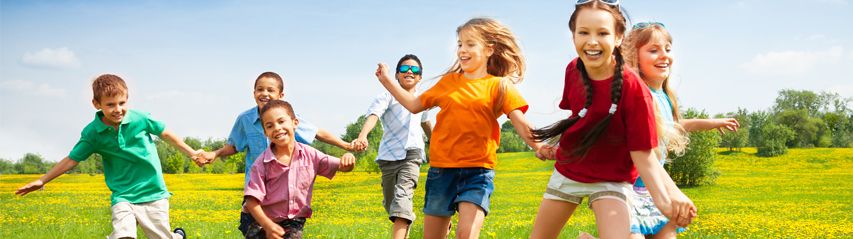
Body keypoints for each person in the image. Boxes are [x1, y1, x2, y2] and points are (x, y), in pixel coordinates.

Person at [528, 1, 697, 238]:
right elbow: (579, 117)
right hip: (569, 171)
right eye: (583, 32)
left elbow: (644, 155)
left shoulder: (634, 89)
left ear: (618, 37)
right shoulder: (572, 70)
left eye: (603, 33)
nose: (592, 41)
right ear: (573, 35)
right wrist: (555, 147)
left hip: (611, 180)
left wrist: (666, 199)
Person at [374, 17, 544, 239]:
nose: (462, 50)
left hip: (478, 172)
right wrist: (387, 81)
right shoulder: (448, 82)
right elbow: (414, 105)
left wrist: (539, 146)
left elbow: (519, 120)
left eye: (470, 44)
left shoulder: (499, 86)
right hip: (441, 171)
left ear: (489, 49)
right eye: (460, 44)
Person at [15, 74, 198, 239]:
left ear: (127, 100)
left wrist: (192, 153)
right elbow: (72, 159)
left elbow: (165, 134)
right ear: (97, 104)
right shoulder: (93, 133)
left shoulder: (141, 119)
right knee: (123, 236)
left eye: (122, 103)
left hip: (153, 192)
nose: (117, 109)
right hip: (123, 195)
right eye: (110, 105)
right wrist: (43, 180)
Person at [193, 72, 354, 235]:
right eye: (260, 89)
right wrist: (215, 153)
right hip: (257, 193)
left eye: (270, 90)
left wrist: (345, 146)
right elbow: (235, 145)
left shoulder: (288, 117)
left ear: (281, 95)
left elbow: (317, 133)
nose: (264, 93)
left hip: (287, 202)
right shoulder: (245, 120)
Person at [623, 21, 739, 239]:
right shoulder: (638, 95)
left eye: (667, 48)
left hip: (656, 188)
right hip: (630, 189)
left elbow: (676, 126)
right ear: (634, 57)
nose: (664, 55)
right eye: (653, 50)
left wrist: (713, 122)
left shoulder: (665, 97)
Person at [243, 100, 356, 239]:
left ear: (295, 123)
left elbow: (342, 166)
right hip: (262, 222)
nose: (277, 128)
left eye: (281, 121)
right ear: (265, 132)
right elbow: (251, 200)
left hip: (294, 222)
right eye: (270, 126)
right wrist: (267, 225)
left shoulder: (311, 155)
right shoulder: (261, 164)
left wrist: (349, 158)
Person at [352, 54, 432, 239]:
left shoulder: (422, 99)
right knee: (392, 206)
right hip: (388, 156)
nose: (409, 71)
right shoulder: (386, 96)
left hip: (412, 154)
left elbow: (426, 123)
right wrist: (362, 135)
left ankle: (429, 223)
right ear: (396, 76)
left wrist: (436, 144)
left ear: (420, 77)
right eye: (404, 69)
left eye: (415, 70)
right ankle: (415, 220)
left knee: (402, 200)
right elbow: (374, 115)